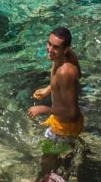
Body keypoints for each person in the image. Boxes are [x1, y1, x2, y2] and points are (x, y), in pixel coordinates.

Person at [28, 27, 83, 165]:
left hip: (64, 126)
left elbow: (71, 113)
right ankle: (76, 153)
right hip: (62, 121)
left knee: (46, 162)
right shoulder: (65, 55)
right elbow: (78, 76)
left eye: (55, 47)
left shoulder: (65, 73)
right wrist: (48, 89)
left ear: (65, 49)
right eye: (49, 43)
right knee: (58, 155)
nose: (50, 49)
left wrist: (44, 109)